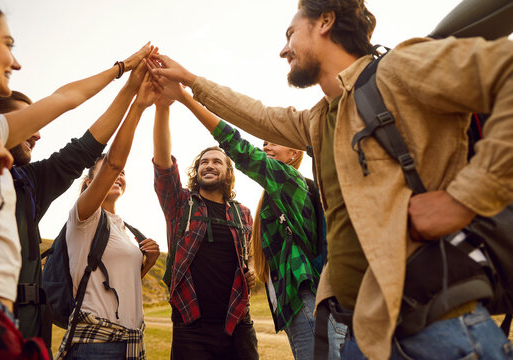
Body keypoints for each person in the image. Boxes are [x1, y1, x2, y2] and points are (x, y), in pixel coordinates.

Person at [147, 0, 513, 358]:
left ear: (325, 22)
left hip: (438, 328)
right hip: (361, 330)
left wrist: (463, 199)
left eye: (291, 34)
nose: (283, 50)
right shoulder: (319, 120)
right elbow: (256, 115)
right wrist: (189, 82)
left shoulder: (396, 69)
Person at [0, 0, 151, 357]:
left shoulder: (27, 180)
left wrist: (127, 77)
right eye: (8, 44)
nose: (17, 61)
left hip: (22, 332)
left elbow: (72, 108)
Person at [149, 69, 346, 359]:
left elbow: (242, 151)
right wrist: (252, 273)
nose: (265, 145)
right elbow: (164, 168)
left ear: (294, 153)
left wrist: (185, 97)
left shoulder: (284, 185)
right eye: (203, 161)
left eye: (272, 140)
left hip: (289, 308)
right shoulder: (189, 205)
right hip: (198, 324)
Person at [54, 70, 160, 360]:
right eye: (111, 171)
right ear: (89, 183)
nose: (118, 174)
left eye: (124, 173)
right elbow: (113, 162)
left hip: (130, 342)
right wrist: (138, 105)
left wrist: (146, 264)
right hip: (95, 343)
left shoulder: (126, 229)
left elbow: (115, 284)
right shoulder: (84, 215)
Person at [152, 92, 259, 359]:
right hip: (191, 325)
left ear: (228, 173)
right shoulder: (181, 205)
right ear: (196, 171)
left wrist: (254, 269)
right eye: (203, 162)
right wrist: (162, 108)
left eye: (216, 162)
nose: (209, 166)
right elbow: (163, 163)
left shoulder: (242, 213)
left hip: (238, 322)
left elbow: (252, 253)